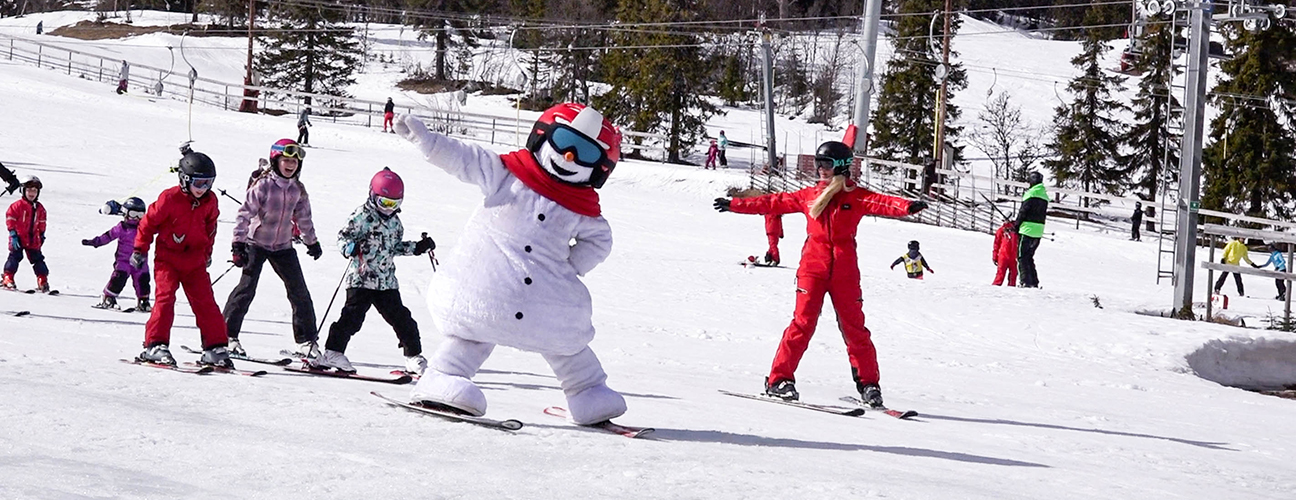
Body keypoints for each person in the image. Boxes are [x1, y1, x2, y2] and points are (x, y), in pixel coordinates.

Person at [395, 103, 628, 425]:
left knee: (565, 341)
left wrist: (569, 268)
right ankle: (443, 378)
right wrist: (427, 141)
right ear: (543, 136)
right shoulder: (507, 175)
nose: (570, 157)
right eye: (563, 142)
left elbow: (600, 240)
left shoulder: (581, 209)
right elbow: (466, 159)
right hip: (488, 287)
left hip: (546, 304)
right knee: (474, 334)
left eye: (586, 153)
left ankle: (587, 392)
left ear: (600, 167)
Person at [712, 140, 927, 407]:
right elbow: (773, 202)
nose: (820, 170)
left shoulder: (855, 197)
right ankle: (779, 379)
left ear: (841, 167)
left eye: (825, 164)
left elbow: (882, 202)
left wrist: (907, 207)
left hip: (845, 273)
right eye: (818, 164)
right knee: (802, 325)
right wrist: (735, 204)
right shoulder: (809, 195)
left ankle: (869, 385)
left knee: (855, 329)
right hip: (812, 270)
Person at [311, 168, 434, 374]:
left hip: (386, 281)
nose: (388, 209)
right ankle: (333, 352)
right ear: (372, 196)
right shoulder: (362, 216)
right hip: (361, 278)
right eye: (384, 203)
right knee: (352, 317)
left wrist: (417, 247)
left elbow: (394, 248)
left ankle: (413, 356)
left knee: (402, 319)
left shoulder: (395, 223)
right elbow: (343, 236)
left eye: (394, 204)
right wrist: (348, 247)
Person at [222, 139, 323, 358]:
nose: (290, 165)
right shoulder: (264, 185)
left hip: (283, 246)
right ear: (276, 161)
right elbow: (244, 214)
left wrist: (311, 242)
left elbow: (304, 218)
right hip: (256, 243)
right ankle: (226, 336)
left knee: (299, 292)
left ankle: (306, 341)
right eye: (286, 161)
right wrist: (238, 243)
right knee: (246, 289)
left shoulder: (298, 189)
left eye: (294, 162)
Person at [131, 149, 232, 368]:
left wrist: (207, 254)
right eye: (198, 183)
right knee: (165, 299)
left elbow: (211, 229)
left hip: (195, 262)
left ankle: (215, 347)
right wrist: (140, 249)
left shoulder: (210, 201)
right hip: (168, 259)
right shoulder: (170, 198)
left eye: (208, 183)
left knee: (206, 303)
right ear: (185, 180)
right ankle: (155, 345)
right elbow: (148, 224)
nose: (203, 189)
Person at [83, 197, 152, 311]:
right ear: (125, 213)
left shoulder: (145, 228)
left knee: (143, 280)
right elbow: (108, 236)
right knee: (118, 279)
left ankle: (143, 301)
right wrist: (95, 242)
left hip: (140, 261)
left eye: (140, 215)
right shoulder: (122, 228)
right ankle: (108, 297)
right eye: (133, 214)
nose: (136, 218)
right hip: (123, 261)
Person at [3, 176, 50, 292]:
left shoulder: (40, 208)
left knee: (38, 260)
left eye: (35, 191)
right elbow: (10, 219)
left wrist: (42, 234)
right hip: (18, 237)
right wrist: (13, 233)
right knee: (14, 258)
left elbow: (42, 223)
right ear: (23, 191)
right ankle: (8, 278)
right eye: (29, 190)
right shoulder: (17, 206)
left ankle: (42, 280)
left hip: (33, 239)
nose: (32, 193)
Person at [1015, 171, 1048, 288]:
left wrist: (1016, 225)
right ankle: (1034, 281)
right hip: (1038, 231)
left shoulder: (1031, 193)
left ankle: (1025, 281)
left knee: (1021, 256)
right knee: (1029, 256)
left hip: (1027, 229)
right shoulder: (1044, 195)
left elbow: (1023, 211)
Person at [991, 220, 1019, 287]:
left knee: (1013, 274)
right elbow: (996, 244)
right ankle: (995, 288)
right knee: (1000, 274)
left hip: (1013, 256)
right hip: (1003, 256)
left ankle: (1011, 288)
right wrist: (995, 256)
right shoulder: (1001, 230)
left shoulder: (1016, 230)